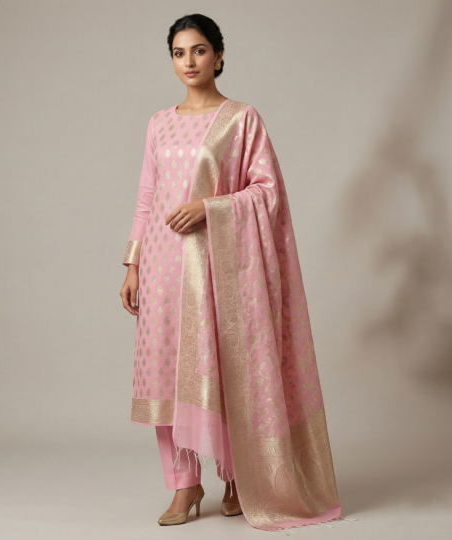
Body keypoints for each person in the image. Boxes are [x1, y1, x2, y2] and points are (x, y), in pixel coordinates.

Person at [119, 13, 342, 532]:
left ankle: (240, 477)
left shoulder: (241, 119)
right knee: (164, 373)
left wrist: (209, 208)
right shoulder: (158, 122)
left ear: (219, 56)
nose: (189, 62)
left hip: (219, 271)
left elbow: (268, 192)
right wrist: (132, 264)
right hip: (163, 266)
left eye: (199, 50)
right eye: (179, 53)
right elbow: (147, 197)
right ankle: (184, 484)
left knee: (225, 369)